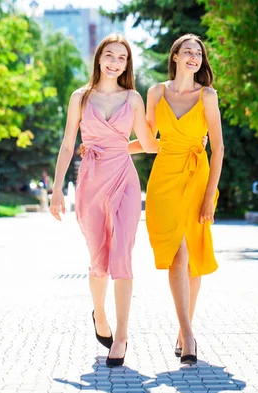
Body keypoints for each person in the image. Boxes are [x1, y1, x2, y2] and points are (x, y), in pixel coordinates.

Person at [49, 33, 159, 367]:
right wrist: (55, 190)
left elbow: (148, 143)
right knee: (99, 260)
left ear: (127, 65)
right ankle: (99, 314)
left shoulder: (134, 99)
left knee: (122, 255)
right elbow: (68, 144)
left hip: (124, 180)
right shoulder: (80, 98)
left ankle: (122, 338)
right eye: (109, 55)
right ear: (98, 58)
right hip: (90, 182)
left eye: (122, 58)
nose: (115, 62)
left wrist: (183, 138)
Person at [145, 34, 224, 365]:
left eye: (198, 53)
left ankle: (183, 332)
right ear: (174, 56)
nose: (194, 56)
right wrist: (108, 146)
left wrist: (209, 197)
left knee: (191, 256)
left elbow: (218, 147)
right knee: (176, 254)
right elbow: (149, 142)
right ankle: (188, 333)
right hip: (163, 179)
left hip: (197, 178)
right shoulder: (155, 93)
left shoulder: (208, 95)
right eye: (187, 51)